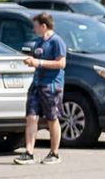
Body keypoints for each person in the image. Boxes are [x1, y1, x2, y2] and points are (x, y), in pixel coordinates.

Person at [16, 12, 67, 165]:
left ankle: (54, 153)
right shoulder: (38, 42)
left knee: (52, 118)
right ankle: (29, 152)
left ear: (44, 26)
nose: (34, 29)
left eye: (36, 26)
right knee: (31, 117)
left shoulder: (57, 42)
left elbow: (61, 63)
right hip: (37, 83)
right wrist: (31, 61)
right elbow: (37, 59)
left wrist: (39, 63)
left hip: (51, 85)